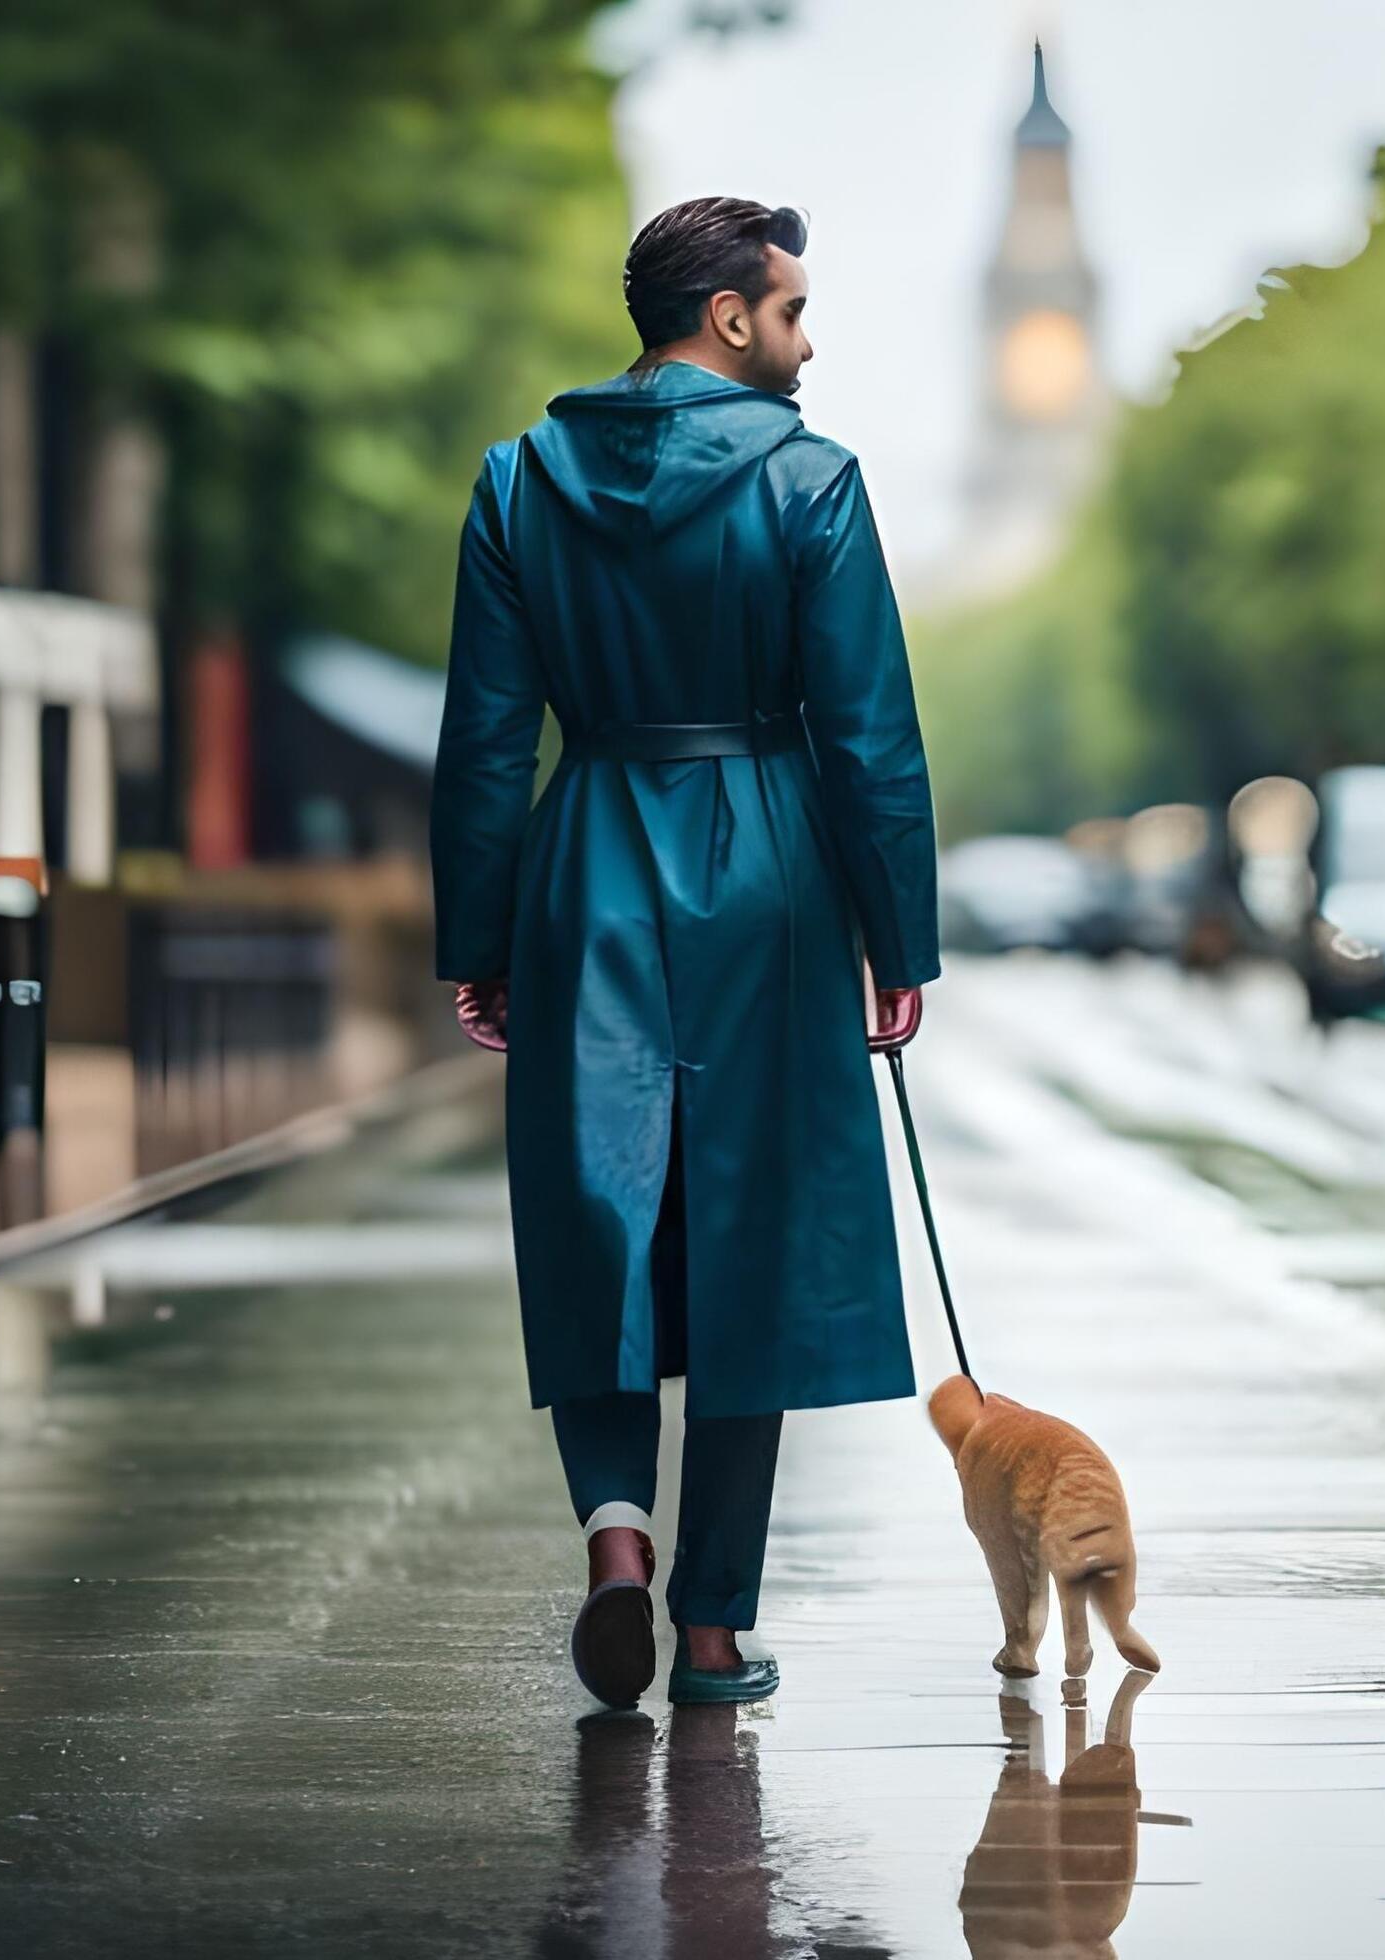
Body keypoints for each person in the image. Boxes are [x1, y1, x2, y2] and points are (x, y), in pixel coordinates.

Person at [431, 198, 939, 1710]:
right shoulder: (812, 481)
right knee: (751, 1241)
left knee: (598, 1215)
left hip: (586, 860)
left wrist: (481, 932)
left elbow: (483, 739)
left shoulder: (519, 482)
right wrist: (894, 935)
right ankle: (714, 1631)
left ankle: (615, 1542)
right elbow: (869, 739)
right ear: (726, 317)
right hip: (769, 874)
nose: (805, 338)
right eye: (790, 310)